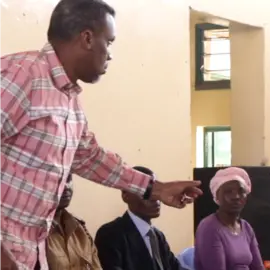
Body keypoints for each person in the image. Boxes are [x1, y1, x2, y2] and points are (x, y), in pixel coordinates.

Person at [0, 1, 202, 269]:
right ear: (87, 38)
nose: (110, 55)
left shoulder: (68, 101)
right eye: (109, 42)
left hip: (29, 253)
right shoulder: (22, 75)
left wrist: (157, 188)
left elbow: (91, 158)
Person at [95, 166, 180, 270]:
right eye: (147, 193)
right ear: (125, 195)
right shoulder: (110, 234)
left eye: (157, 192)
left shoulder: (158, 236)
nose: (156, 199)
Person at [194, 167, 264, 270]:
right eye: (228, 191)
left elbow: (258, 267)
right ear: (217, 197)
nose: (236, 196)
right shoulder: (209, 228)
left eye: (241, 191)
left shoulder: (246, 227)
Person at [46, 174, 101, 270]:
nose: (66, 186)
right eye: (58, 180)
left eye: (68, 179)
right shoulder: (33, 231)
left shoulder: (80, 229)